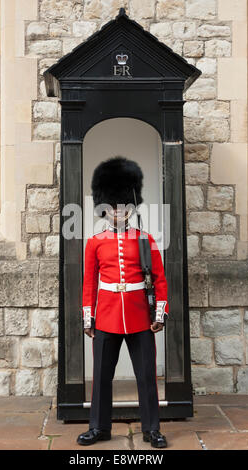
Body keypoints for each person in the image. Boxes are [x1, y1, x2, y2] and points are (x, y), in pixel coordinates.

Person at [77, 156, 169, 448]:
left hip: (140, 315)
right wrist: (88, 316)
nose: (119, 211)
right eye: (113, 207)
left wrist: (159, 313)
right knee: (102, 376)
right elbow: (90, 281)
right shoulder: (95, 241)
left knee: (146, 377)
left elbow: (160, 279)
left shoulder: (146, 240)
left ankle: (151, 429)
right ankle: (99, 428)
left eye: (123, 206)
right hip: (105, 315)